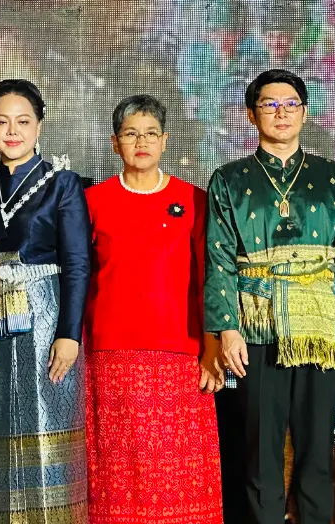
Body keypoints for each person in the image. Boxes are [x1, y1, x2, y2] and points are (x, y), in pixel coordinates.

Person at [207, 68, 335, 524]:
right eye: (269, 105)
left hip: (321, 329)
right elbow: (219, 258)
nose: (281, 113)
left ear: (305, 112)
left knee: (317, 452)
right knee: (261, 454)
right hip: (257, 329)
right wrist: (226, 328)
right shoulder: (229, 178)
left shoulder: (334, 177)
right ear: (251, 114)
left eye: (290, 104)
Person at [83, 94, 223, 524]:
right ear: (114, 143)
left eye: (150, 134)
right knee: (118, 469)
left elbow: (210, 279)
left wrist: (212, 348)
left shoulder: (194, 200)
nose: (141, 142)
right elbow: (80, 276)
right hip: (111, 355)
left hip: (180, 353)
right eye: (130, 134)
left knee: (177, 471)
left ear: (165, 140)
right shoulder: (93, 200)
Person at [0, 79, 90, 523]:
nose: (13, 132)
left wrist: (69, 334)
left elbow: (78, 263)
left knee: (47, 422)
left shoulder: (61, 183)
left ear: (40, 126)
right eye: (2, 122)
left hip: (45, 314)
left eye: (23, 122)